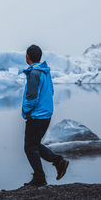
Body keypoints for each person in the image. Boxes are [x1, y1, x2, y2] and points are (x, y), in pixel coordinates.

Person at [21, 44, 69, 187]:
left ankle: (40, 177)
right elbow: (51, 91)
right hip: (46, 115)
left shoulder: (34, 73)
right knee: (34, 144)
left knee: (29, 147)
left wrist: (26, 111)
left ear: (27, 57)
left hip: (36, 116)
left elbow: (31, 97)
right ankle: (57, 162)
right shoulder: (45, 72)